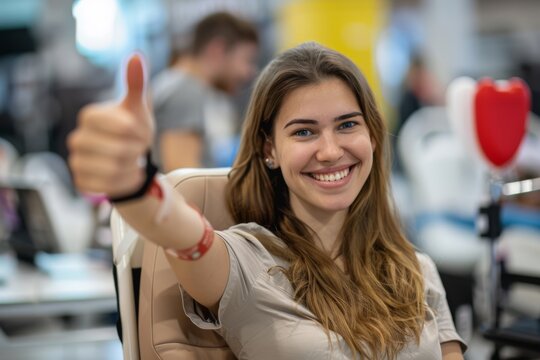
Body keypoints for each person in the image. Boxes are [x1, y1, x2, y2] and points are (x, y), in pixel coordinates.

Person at [68, 42, 466, 359]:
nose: (330, 151)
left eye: (347, 125)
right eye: (304, 132)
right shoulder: (248, 262)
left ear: (373, 137)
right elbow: (180, 232)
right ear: (269, 150)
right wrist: (133, 185)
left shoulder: (415, 269)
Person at [151, 11, 259, 171]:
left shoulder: (170, 82)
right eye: (246, 60)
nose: (249, 72)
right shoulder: (186, 92)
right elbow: (183, 180)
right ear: (218, 49)